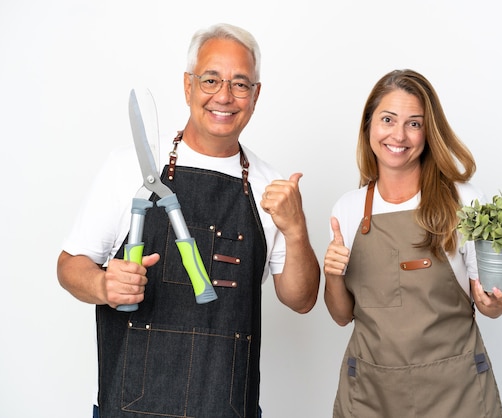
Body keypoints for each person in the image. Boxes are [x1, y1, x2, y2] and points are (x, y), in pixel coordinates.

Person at [57, 23, 320, 418]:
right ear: (188, 86)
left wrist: (296, 230)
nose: (224, 97)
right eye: (211, 79)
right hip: (129, 407)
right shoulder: (130, 164)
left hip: (227, 407)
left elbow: (301, 300)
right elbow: (68, 266)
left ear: (256, 95)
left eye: (241, 84)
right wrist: (101, 283)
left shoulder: (271, 186)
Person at [323, 69, 502, 418]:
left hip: (456, 394)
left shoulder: (463, 201)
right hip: (371, 395)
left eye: (414, 124)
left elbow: (489, 304)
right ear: (369, 126)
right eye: (388, 119)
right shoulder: (348, 208)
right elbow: (342, 316)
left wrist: (500, 301)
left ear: (428, 132)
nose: (398, 135)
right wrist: (331, 275)